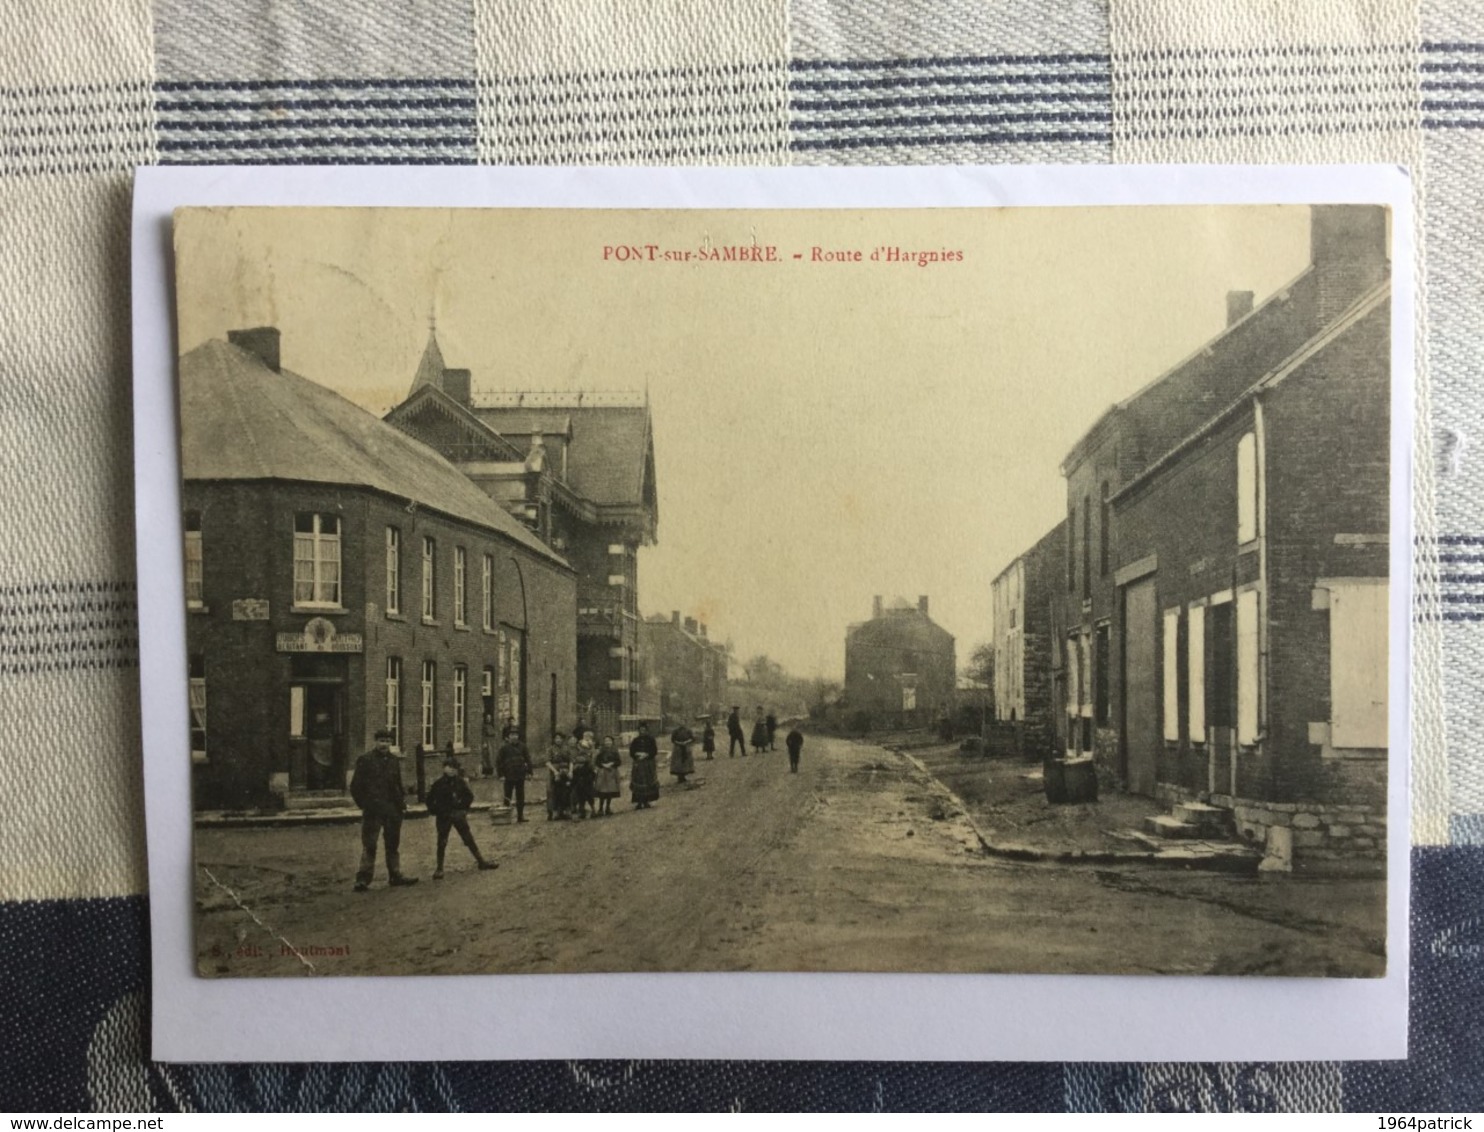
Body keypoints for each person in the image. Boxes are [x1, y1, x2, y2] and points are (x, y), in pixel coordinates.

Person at [350, 727, 418, 891]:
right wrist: (365, 805)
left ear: (391, 743)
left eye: (387, 741)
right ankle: (363, 879)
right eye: (381, 741)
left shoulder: (394, 760)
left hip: (392, 810)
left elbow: (397, 785)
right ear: (375, 742)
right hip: (373, 810)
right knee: (370, 845)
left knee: (392, 844)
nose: (384, 744)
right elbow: (355, 787)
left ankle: (395, 875)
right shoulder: (365, 760)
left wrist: (401, 805)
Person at [425, 757, 498, 878]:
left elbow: (469, 796)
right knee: (442, 841)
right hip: (444, 816)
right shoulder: (438, 784)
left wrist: (463, 809)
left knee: (468, 838)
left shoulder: (460, 782)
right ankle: (439, 868)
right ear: (444, 768)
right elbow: (429, 800)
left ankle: (481, 861)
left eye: (455, 768)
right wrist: (436, 811)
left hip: (458, 815)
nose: (452, 770)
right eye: (450, 767)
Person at [495, 727, 532, 822]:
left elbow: (528, 760)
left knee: (520, 796)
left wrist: (529, 772)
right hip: (509, 775)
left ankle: (520, 816)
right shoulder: (504, 748)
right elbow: (499, 762)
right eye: (512, 735)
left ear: (518, 736)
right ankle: (506, 817)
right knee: (507, 795)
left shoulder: (523, 747)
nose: (514, 737)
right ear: (508, 737)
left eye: (516, 735)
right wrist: (501, 775)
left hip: (520, 774)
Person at [629, 722, 660, 809]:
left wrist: (646, 755)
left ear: (646, 730)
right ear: (638, 731)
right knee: (638, 781)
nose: (642, 731)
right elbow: (631, 752)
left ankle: (646, 801)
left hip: (648, 763)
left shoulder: (651, 740)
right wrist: (637, 755)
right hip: (638, 763)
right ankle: (639, 802)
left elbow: (654, 751)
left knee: (648, 781)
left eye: (644, 730)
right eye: (640, 730)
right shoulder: (635, 740)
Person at [546, 731, 573, 820]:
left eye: (560, 738)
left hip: (565, 771)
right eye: (556, 738)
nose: (558, 740)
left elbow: (571, 761)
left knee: (566, 791)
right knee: (553, 791)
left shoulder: (567, 748)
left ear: (562, 739)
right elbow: (548, 762)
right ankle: (554, 812)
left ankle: (566, 811)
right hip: (554, 772)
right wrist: (555, 771)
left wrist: (570, 772)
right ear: (554, 739)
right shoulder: (550, 749)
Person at [593, 735, 622, 816]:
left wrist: (611, 763)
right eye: (606, 741)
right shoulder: (601, 751)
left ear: (612, 742)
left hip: (611, 773)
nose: (607, 742)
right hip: (603, 772)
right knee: (602, 791)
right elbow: (597, 761)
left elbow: (619, 761)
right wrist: (603, 765)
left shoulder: (615, 751)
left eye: (609, 741)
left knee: (610, 791)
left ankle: (608, 808)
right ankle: (600, 808)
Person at [571, 735, 597, 819]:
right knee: (580, 794)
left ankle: (593, 809)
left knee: (589, 794)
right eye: (582, 747)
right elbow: (573, 765)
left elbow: (592, 767)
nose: (583, 749)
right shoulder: (576, 756)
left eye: (585, 748)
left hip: (587, 778)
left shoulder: (589, 757)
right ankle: (581, 810)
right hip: (578, 777)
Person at [670, 721, 696, 786]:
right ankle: (679, 777)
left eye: (683, 722)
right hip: (678, 748)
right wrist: (679, 743)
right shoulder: (675, 731)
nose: (682, 724)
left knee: (685, 762)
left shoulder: (688, 730)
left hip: (686, 747)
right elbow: (673, 739)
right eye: (680, 722)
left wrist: (686, 742)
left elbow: (692, 738)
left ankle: (683, 776)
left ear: (685, 723)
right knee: (678, 762)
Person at [479, 712, 499, 777]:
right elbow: (483, 735)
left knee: (491, 757)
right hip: (487, 742)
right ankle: (486, 772)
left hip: (491, 743)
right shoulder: (484, 726)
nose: (488, 719)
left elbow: (494, 734)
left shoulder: (490, 726)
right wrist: (484, 742)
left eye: (489, 718)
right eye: (487, 718)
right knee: (486, 757)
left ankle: (490, 771)